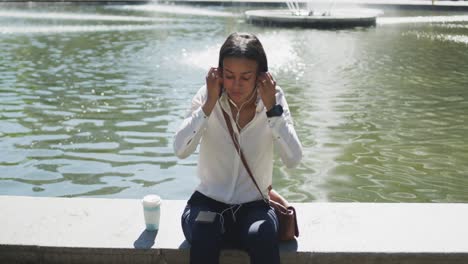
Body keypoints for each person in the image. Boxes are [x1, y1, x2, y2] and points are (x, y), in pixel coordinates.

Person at [173, 32, 303, 264]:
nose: (235, 85)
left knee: (261, 234)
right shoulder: (207, 96)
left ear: (261, 76)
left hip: (254, 205)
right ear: (220, 73)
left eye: (245, 77)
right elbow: (180, 150)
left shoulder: (273, 100)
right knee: (206, 231)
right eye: (229, 76)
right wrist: (208, 106)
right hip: (207, 202)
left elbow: (293, 159)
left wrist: (273, 111)